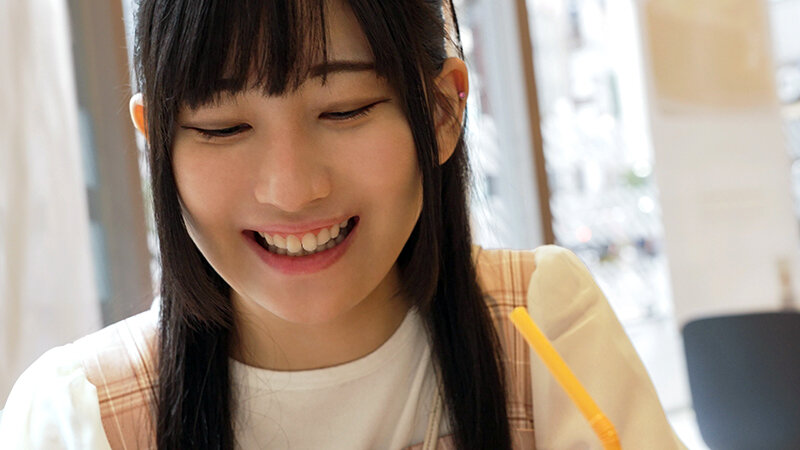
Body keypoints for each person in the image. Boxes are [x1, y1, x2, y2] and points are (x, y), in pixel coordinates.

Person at [0, 0, 686, 448]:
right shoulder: (81, 418)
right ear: (157, 144)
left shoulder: (544, 328)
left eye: (345, 110)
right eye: (224, 126)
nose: (292, 189)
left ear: (443, 111)